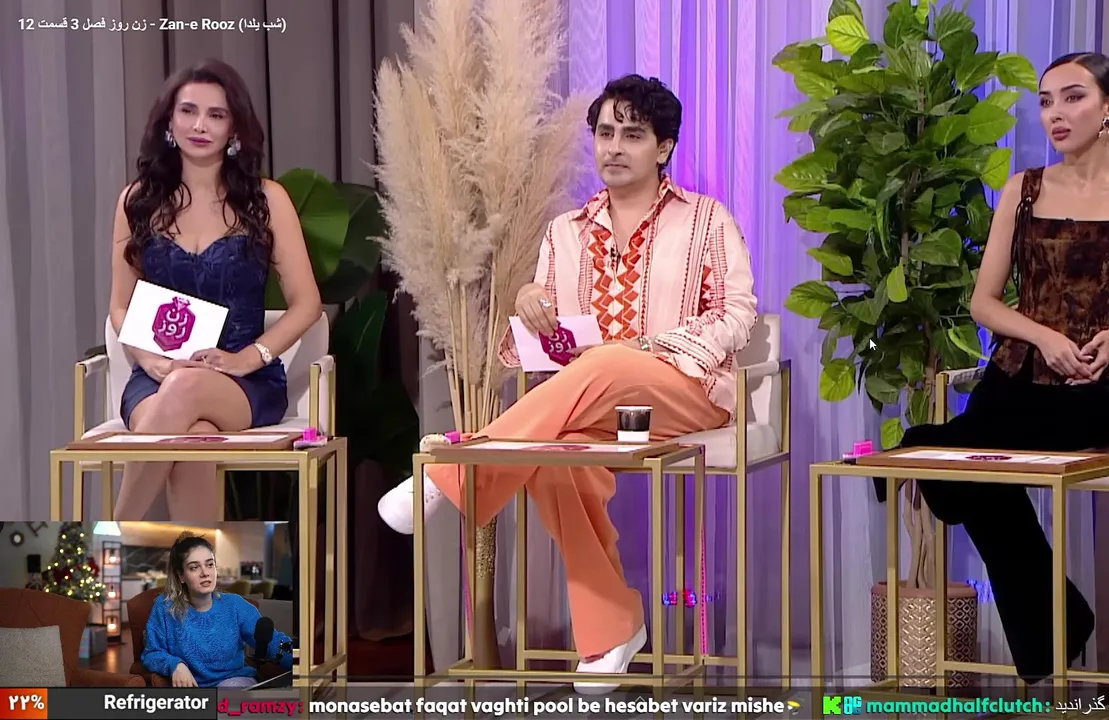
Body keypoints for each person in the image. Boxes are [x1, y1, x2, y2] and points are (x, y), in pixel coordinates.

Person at [377, 74, 757, 693]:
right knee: (552, 456)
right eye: (605, 133)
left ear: (663, 147)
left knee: (607, 362)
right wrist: (530, 299)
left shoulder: (706, 220)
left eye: (632, 135)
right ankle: (613, 627)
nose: (614, 147)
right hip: (591, 399)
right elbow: (550, 339)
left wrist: (650, 349)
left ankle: (449, 475)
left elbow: (737, 313)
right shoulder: (565, 231)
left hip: (684, 391)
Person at [874, 52, 1109, 683]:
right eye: (1045, 101)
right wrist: (1044, 336)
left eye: (1072, 97)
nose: (1055, 114)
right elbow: (984, 303)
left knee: (960, 462)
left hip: (1099, 383)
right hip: (1016, 374)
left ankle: (924, 446)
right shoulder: (1023, 189)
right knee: (982, 473)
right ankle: (1062, 622)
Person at [109, 59, 322, 520]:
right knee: (192, 435)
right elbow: (120, 307)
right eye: (188, 111)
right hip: (157, 375)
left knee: (186, 392)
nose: (200, 125)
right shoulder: (137, 201)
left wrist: (249, 357)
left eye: (216, 114)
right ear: (169, 121)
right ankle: (201, 569)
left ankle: (109, 543)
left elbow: (307, 304)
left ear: (234, 129)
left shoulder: (267, 201)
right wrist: (153, 362)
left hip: (244, 382)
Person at [140, 533, 293, 688]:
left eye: (210, 564)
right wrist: (175, 665)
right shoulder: (165, 608)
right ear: (181, 576)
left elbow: (272, 642)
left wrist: (301, 663)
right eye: (194, 567)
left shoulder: (235, 605)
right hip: (193, 692)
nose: (205, 573)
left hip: (234, 683)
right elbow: (151, 653)